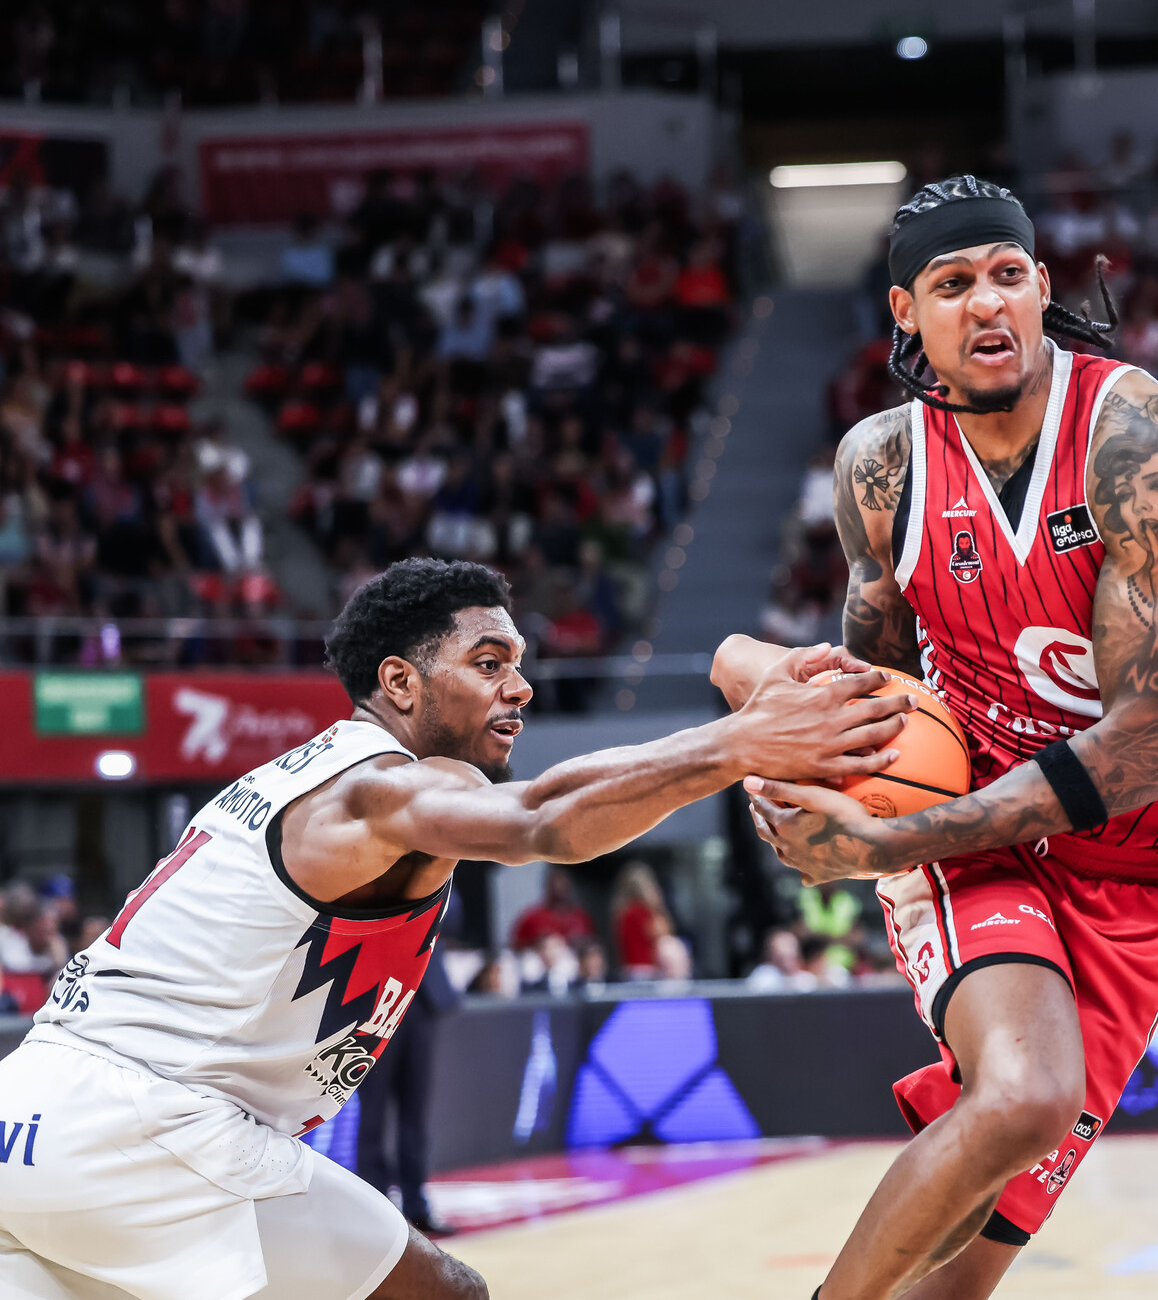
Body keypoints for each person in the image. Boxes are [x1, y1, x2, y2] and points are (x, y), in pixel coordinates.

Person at [0, 557, 913, 1300]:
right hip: (144, 1122)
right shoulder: (384, 783)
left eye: (517, 660)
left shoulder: (303, 776)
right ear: (399, 681)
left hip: (33, 1114)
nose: (517, 685)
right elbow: (544, 822)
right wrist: (739, 742)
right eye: (486, 662)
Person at [712, 175, 1158, 1300]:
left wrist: (887, 838)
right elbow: (884, 686)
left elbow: (1144, 747)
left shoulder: (1137, 436)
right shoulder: (879, 468)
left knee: (958, 1272)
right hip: (975, 834)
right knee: (1023, 1094)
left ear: (1044, 287)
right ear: (905, 310)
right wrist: (823, 773)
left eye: (1008, 275)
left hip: (1132, 860)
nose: (987, 303)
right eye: (952, 284)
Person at [355, 954, 459, 1236]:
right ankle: (375, 1208)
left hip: (422, 999)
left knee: (416, 1113)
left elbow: (453, 918)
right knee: (372, 1112)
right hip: (376, 998)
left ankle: (416, 1206)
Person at [611, 861, 693, 981]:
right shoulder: (643, 912)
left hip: (630, 970)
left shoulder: (621, 913)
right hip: (648, 971)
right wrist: (658, 906)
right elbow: (663, 933)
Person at [509, 868, 596, 951]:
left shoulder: (580, 917)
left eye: (562, 884)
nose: (559, 888)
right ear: (546, 886)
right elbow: (516, 947)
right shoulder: (533, 917)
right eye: (555, 883)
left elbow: (591, 945)